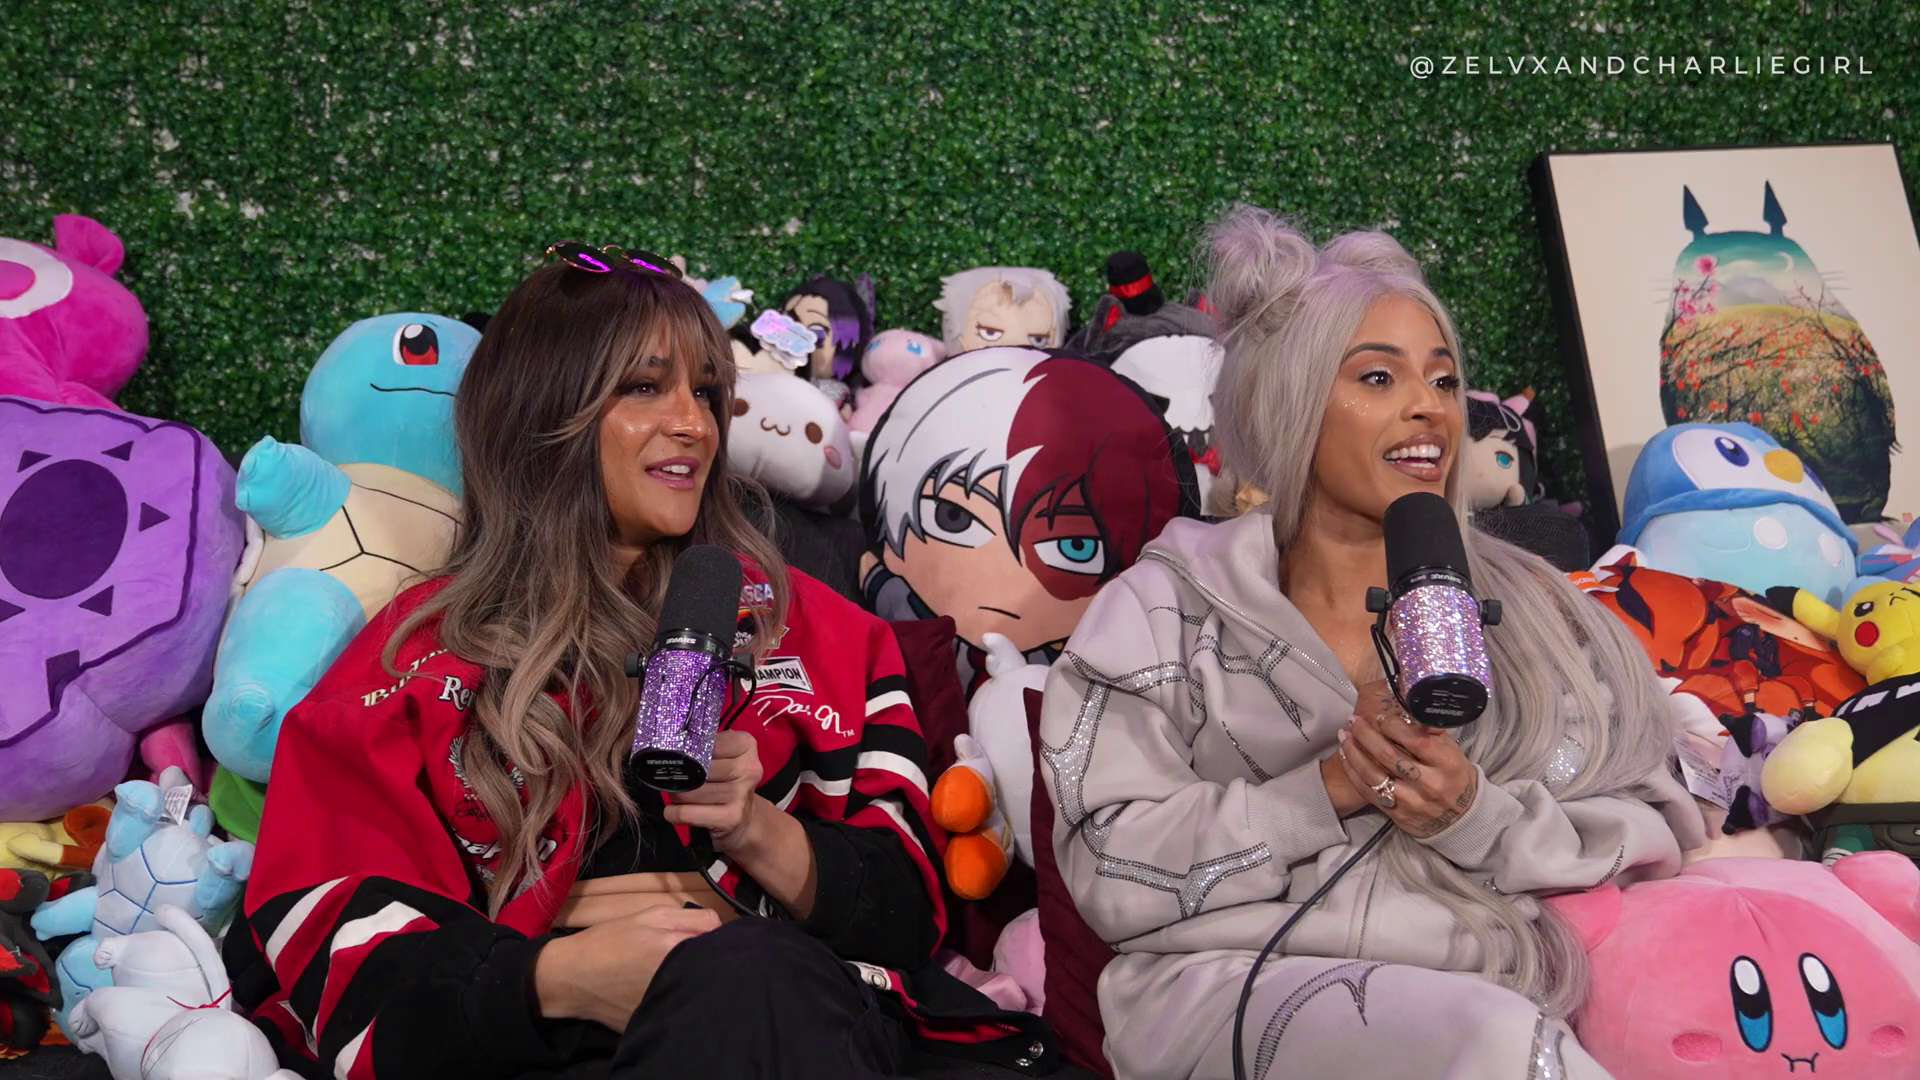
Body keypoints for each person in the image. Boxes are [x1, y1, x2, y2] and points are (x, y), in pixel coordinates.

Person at [223, 247, 1052, 1080]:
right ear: (543, 409)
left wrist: (752, 829)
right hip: (538, 1050)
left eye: (707, 391)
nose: (695, 423)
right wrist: (556, 978)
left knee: (753, 977)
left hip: (802, 1019)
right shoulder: (420, 648)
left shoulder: (822, 628)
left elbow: (907, 919)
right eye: (647, 387)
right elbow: (320, 939)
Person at [1038, 208, 1705, 1080]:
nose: (1430, 406)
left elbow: (1651, 824)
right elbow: (1112, 870)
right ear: (1291, 401)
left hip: (1500, 974)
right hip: (1231, 989)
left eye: (1444, 378)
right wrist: (1327, 789)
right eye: (1379, 377)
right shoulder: (1164, 609)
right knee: (1500, 1050)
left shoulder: (1542, 611)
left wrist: (1474, 816)